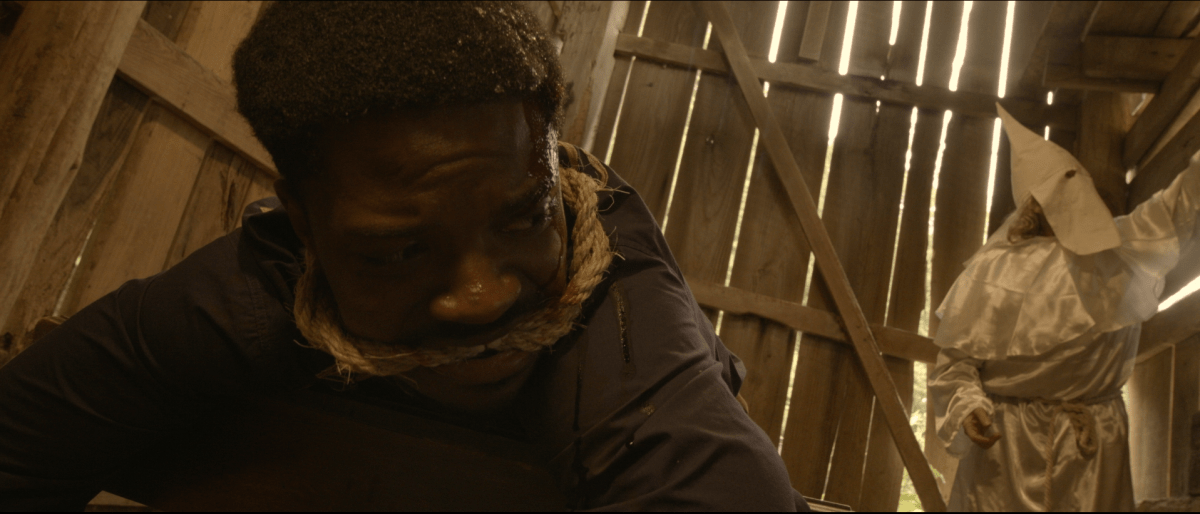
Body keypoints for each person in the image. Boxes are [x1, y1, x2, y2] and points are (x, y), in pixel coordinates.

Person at [0, 2, 806, 510]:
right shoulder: (258, 289)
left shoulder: (618, 298)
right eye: (398, 253)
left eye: (524, 218)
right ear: (304, 225)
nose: (483, 295)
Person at [930, 104, 1200, 511]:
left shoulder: (1121, 253)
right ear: (1033, 204)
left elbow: (1180, 205)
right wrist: (967, 406)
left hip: (1091, 447)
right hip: (1007, 450)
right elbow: (956, 364)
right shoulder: (994, 270)